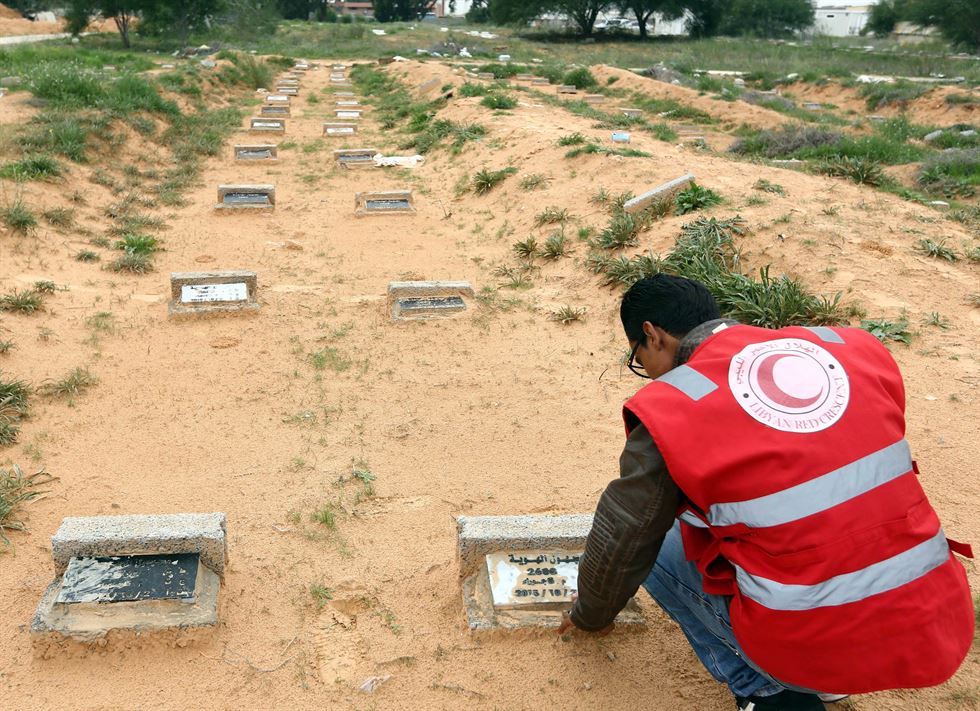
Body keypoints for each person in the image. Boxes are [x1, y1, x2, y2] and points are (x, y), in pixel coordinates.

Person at [557, 275, 974, 711]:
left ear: (652, 335)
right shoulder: (850, 348)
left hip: (810, 641)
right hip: (933, 619)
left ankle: (768, 693)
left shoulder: (672, 407)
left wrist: (589, 615)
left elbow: (625, 535)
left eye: (639, 358)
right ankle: (831, 680)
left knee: (658, 533)